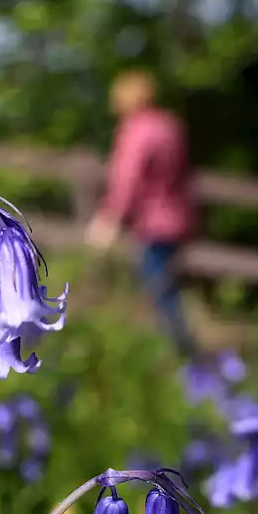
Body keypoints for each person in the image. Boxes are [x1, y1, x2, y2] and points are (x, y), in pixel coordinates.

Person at [86, 70, 197, 356]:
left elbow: (127, 179)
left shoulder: (136, 130)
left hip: (153, 223)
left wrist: (109, 218)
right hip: (179, 218)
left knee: (159, 295)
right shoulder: (170, 125)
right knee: (168, 290)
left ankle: (183, 359)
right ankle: (181, 356)